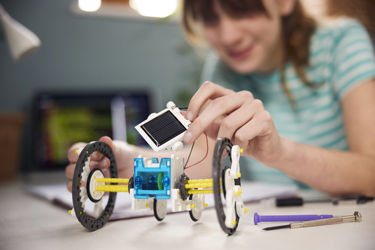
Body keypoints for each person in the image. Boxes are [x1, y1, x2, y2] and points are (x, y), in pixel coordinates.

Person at [65, 0, 375, 197]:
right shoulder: (223, 68)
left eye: (244, 8)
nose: (228, 36)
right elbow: (201, 158)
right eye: (210, 18)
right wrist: (131, 164)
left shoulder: (342, 42)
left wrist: (279, 152)